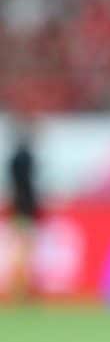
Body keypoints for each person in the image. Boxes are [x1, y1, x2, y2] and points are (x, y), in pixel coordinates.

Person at [6, 119, 42, 303]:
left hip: (17, 209)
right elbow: (31, 187)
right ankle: (20, 292)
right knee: (24, 252)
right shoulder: (28, 158)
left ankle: (19, 291)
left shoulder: (12, 160)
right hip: (27, 210)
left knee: (20, 251)